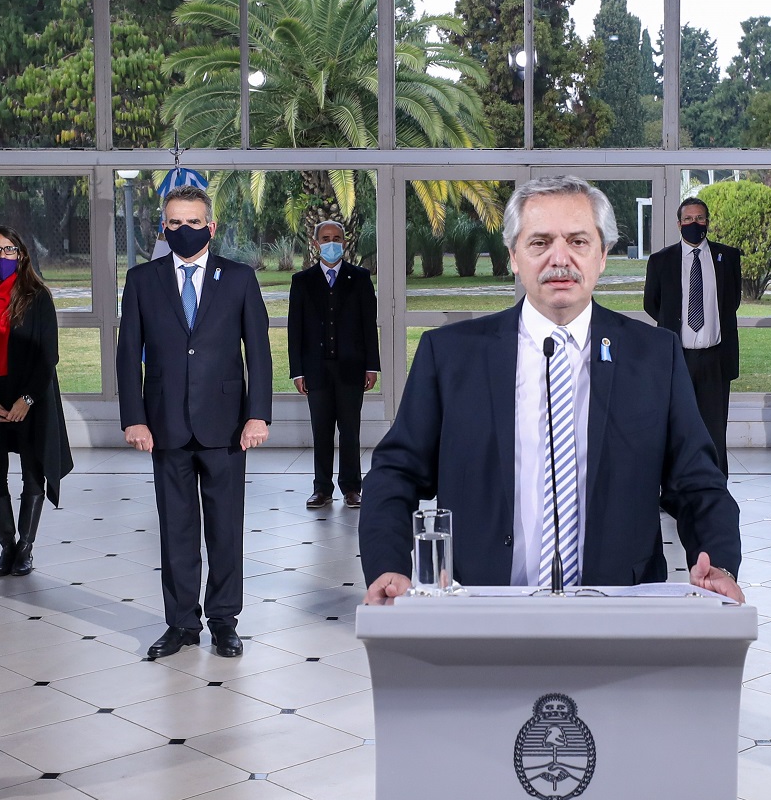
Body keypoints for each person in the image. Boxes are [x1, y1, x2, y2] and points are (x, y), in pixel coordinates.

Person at [360, 175, 743, 603]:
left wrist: (720, 563)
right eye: (540, 243)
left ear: (602, 255)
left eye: (578, 241)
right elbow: (395, 474)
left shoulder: (655, 357)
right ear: (513, 257)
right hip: (478, 609)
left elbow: (698, 483)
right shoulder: (449, 354)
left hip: (619, 612)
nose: (559, 259)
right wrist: (388, 563)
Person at [118, 185, 271, 660]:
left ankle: (224, 620)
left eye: (194, 222)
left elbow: (259, 353)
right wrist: (134, 419)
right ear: (163, 226)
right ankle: (182, 623)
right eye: (175, 223)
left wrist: (258, 414)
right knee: (176, 529)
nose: (185, 230)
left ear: (212, 225)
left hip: (226, 428)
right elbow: (128, 356)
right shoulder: (143, 280)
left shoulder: (240, 278)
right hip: (164, 426)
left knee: (225, 528)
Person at [0, 227, 74, 576]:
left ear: (21, 255)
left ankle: (26, 547)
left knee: (32, 471)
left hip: (30, 397)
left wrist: (28, 398)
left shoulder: (37, 297)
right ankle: (7, 546)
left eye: (9, 251)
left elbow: (48, 355)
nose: (2, 258)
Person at [644, 196, 740, 472]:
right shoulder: (661, 261)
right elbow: (652, 304)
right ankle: (675, 486)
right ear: (679, 224)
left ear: (707, 222)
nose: (694, 223)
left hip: (715, 358)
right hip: (678, 358)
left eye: (699, 218)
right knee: (676, 425)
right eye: (688, 219)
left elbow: (731, 302)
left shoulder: (728, 257)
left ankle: (714, 485)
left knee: (714, 427)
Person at [289, 219, 379, 509]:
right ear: (315, 243)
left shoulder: (360, 278)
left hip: (351, 369)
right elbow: (295, 330)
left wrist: (371, 366)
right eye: (325, 238)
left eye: (336, 238)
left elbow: (369, 325)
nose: (331, 243)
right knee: (322, 431)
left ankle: (352, 488)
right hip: (316, 370)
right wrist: (298, 370)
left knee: (350, 430)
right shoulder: (301, 282)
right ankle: (322, 489)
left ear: (344, 241)